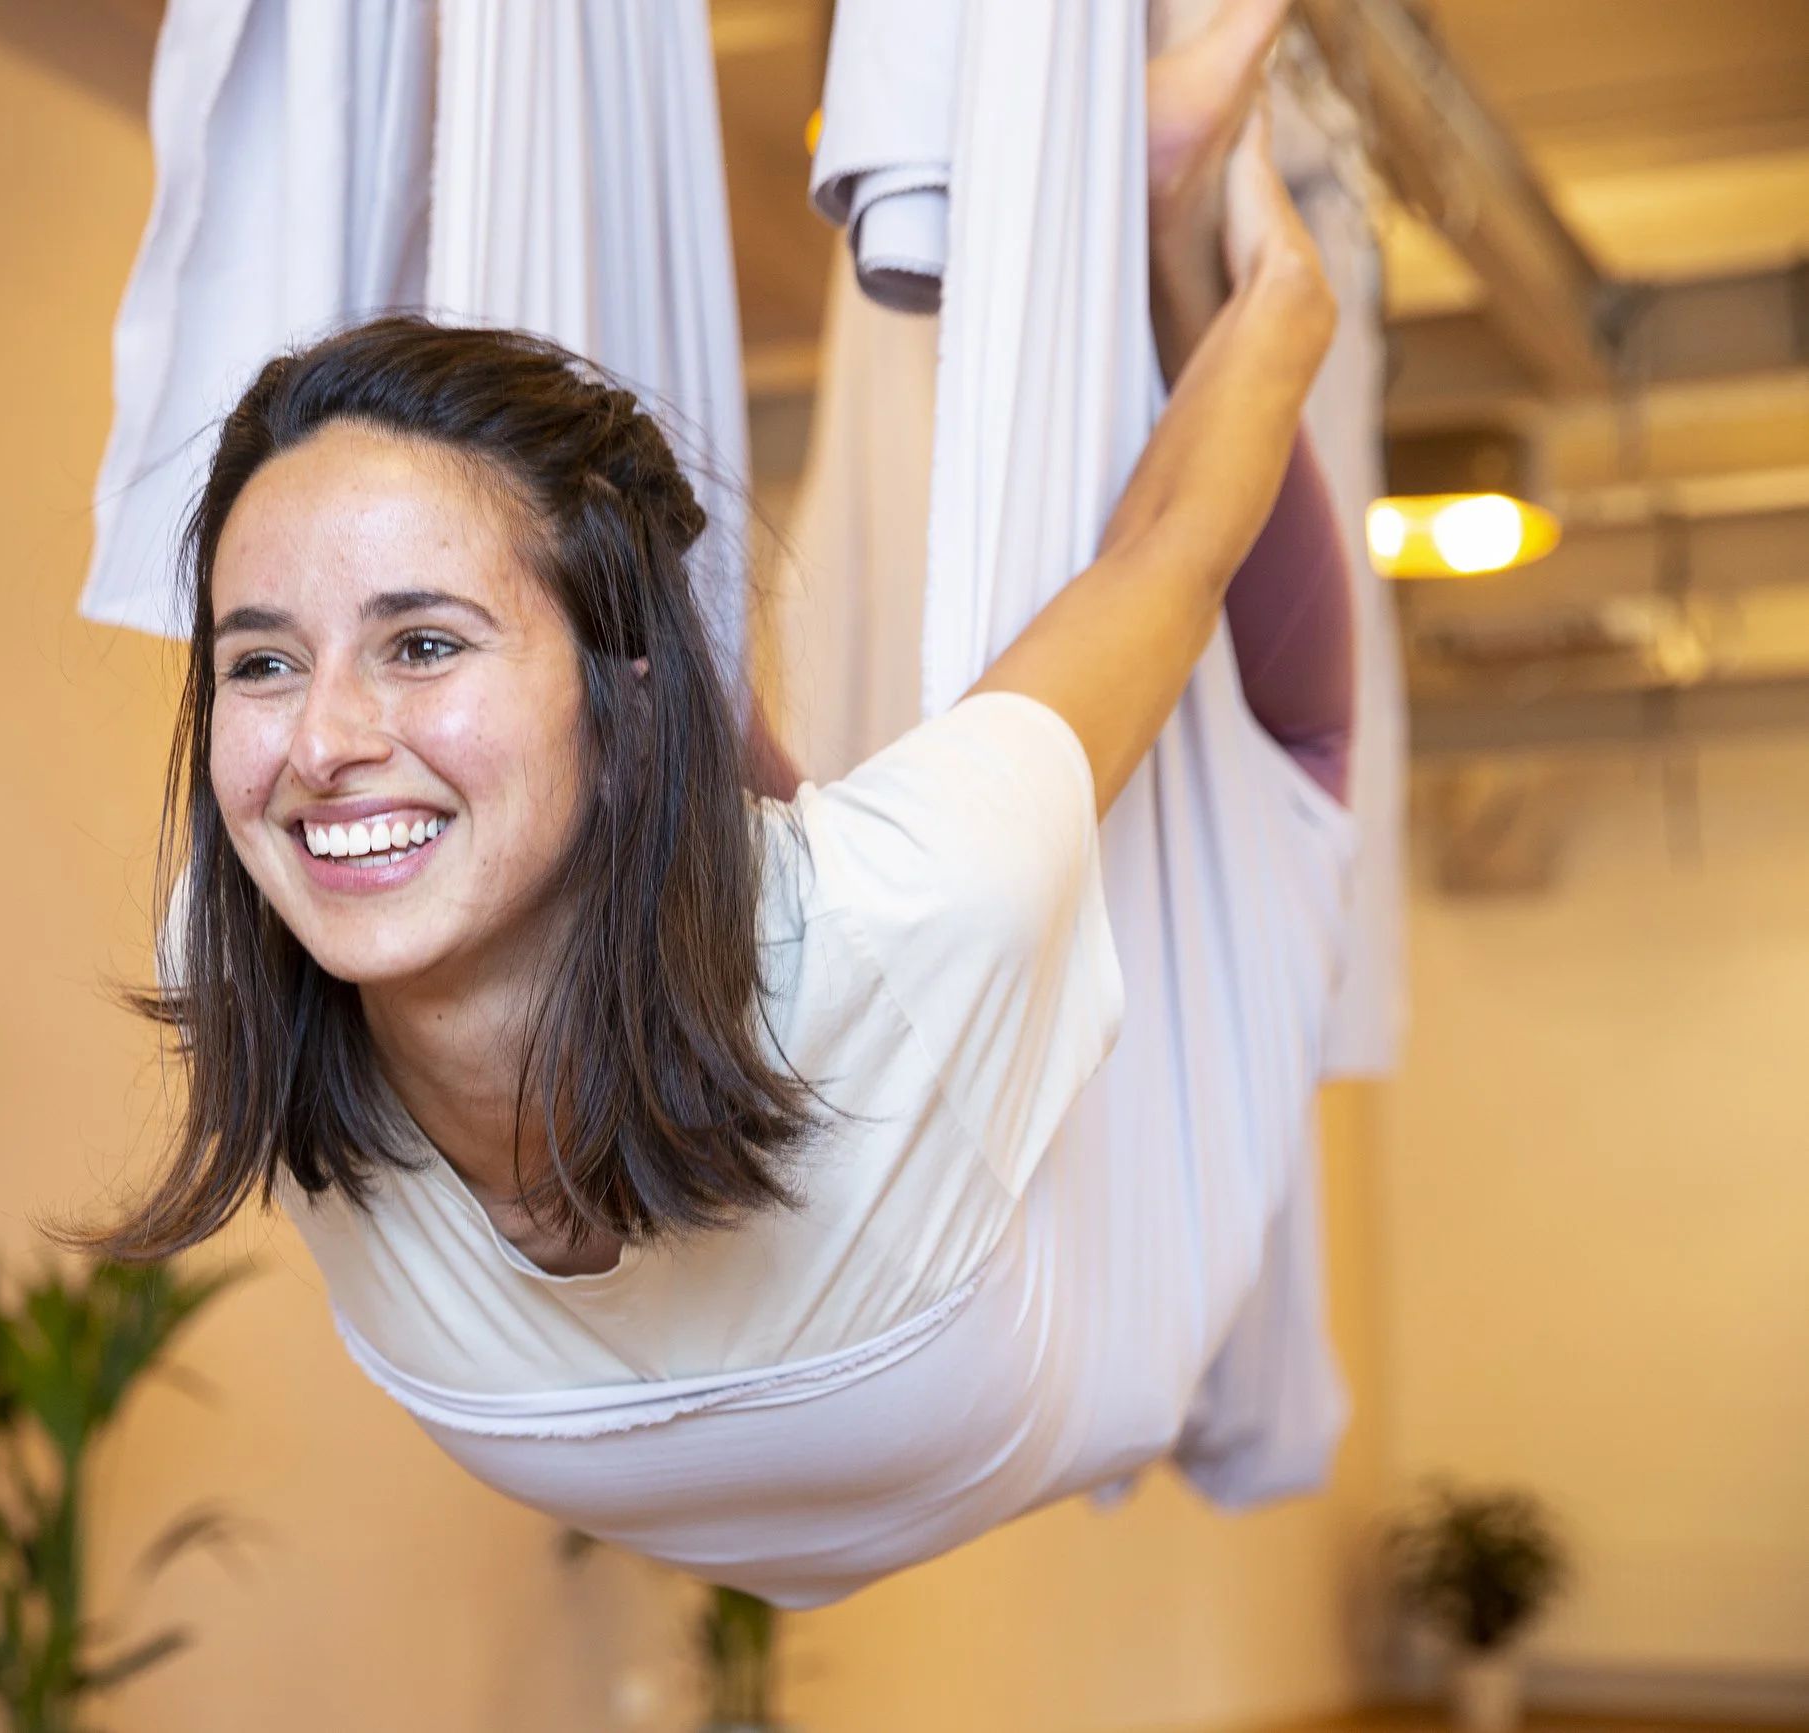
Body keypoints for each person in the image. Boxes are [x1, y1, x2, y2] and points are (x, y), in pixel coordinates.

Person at [96, 13, 1350, 1605]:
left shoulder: (906, 920)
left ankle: (1165, 248)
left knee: (1285, 769)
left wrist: (1274, 310)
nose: (322, 740)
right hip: (755, 951)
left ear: (627, 699)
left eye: (420, 643)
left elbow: (1162, 560)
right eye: (261, 661)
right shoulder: (251, 960)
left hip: (1007, 1157)